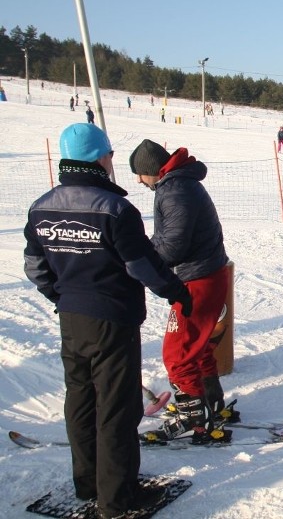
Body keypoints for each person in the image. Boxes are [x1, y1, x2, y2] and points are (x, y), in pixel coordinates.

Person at [24, 123, 191, 519]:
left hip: (72, 317)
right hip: (112, 319)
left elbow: (35, 268)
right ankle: (118, 498)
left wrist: (61, 296)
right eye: (111, 155)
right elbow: (142, 266)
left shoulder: (41, 206)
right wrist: (176, 292)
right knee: (117, 406)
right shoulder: (115, 209)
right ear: (100, 158)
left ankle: (87, 482)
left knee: (80, 399)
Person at [128, 138, 234, 442]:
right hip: (204, 275)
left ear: (153, 170)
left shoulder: (175, 190)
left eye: (139, 173)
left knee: (177, 354)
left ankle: (193, 418)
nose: (138, 180)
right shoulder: (178, 185)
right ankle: (209, 402)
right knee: (196, 347)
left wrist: (138, 260)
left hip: (198, 280)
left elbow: (173, 245)